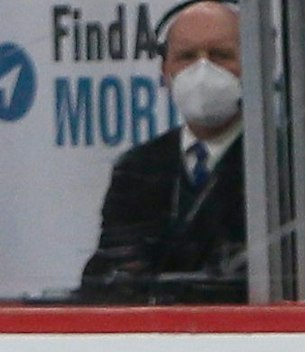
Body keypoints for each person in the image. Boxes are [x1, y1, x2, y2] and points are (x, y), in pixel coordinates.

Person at [80, 0, 248, 302]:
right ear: (165, 70)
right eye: (186, 56)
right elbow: (107, 279)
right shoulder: (136, 169)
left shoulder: (290, 169)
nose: (202, 69)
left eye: (220, 55)